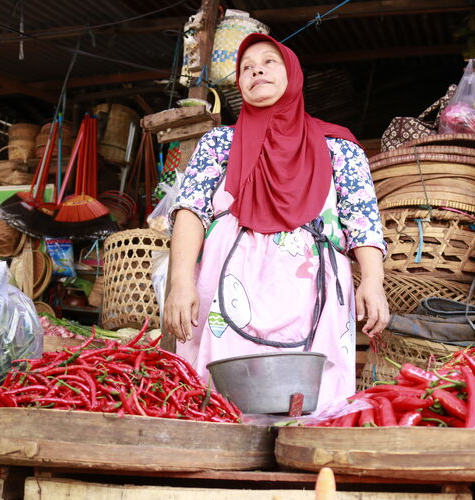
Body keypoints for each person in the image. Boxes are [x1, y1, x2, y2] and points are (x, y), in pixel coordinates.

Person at [164, 33, 389, 408]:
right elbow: (190, 211)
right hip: (226, 285)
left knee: (311, 400)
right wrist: (180, 283)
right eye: (247, 68)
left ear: (293, 74)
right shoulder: (218, 143)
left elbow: (362, 220)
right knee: (218, 401)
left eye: (269, 62)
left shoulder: (339, 145)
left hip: (312, 287)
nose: (256, 71)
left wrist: (374, 282)